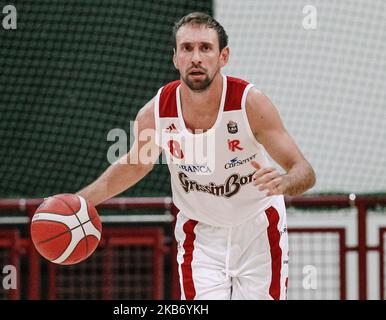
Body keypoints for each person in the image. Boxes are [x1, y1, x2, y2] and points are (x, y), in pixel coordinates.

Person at [76, 12, 316, 300]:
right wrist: (79, 202)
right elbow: (134, 165)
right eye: (187, 48)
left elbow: (304, 170)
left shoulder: (249, 104)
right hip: (200, 233)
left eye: (205, 48)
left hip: (258, 227)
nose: (196, 57)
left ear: (223, 56)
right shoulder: (156, 113)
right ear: (175, 58)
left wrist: (285, 182)